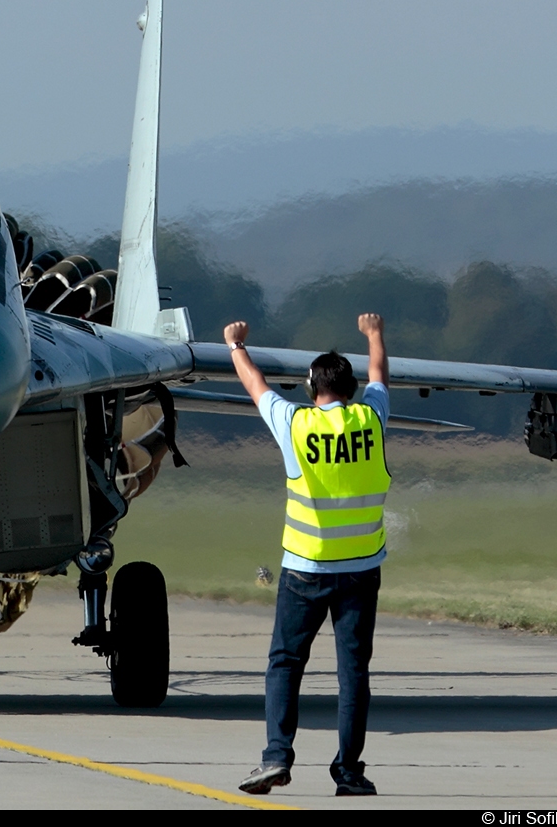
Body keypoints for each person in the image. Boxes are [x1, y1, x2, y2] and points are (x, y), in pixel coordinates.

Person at [225, 313, 389, 798]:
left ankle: (277, 756)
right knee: (353, 672)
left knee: (286, 662)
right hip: (361, 569)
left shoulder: (296, 424)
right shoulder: (371, 417)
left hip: (305, 569)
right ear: (352, 388)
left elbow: (256, 387)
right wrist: (374, 335)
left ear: (310, 387)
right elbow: (381, 374)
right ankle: (350, 771)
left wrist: (236, 345)